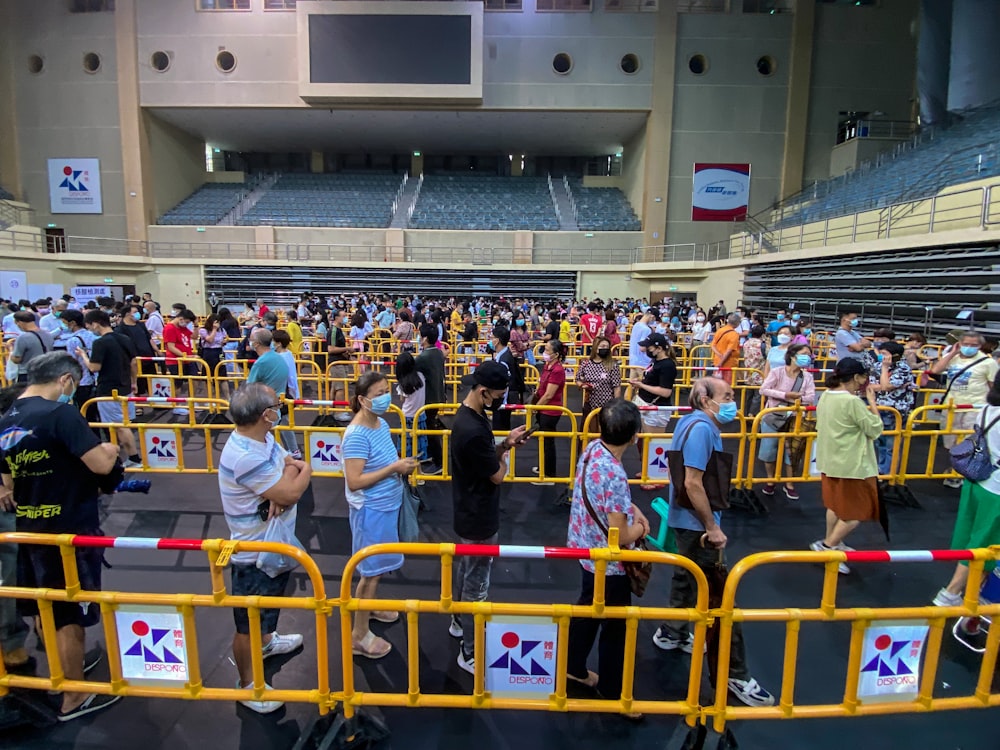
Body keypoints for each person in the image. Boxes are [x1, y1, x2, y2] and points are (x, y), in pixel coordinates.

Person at [0, 352, 122, 720]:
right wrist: (111, 449)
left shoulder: (7, 418)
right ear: (66, 381)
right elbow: (101, 465)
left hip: (29, 526)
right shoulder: (61, 413)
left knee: (43, 605)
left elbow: (6, 483)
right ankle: (73, 696)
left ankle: (61, 674)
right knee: (68, 613)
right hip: (69, 527)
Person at [654, 377, 775, 708]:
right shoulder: (704, 430)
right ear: (706, 400)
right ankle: (735, 674)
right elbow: (693, 483)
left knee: (685, 577)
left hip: (684, 521)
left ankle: (673, 632)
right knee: (722, 600)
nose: (732, 401)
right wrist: (712, 526)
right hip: (698, 526)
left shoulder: (688, 423)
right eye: (727, 395)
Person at [218, 383, 308, 714]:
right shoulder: (243, 454)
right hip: (252, 553)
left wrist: (292, 474)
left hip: (274, 541)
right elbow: (291, 492)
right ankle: (248, 686)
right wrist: (299, 474)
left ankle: (268, 643)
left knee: (268, 606)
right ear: (265, 415)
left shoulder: (264, 438)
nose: (281, 407)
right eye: (276, 405)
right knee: (247, 624)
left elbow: (290, 464)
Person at [565, 399, 650, 711]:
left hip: (585, 548)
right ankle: (614, 693)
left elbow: (608, 506)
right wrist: (641, 528)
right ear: (634, 437)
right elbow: (620, 535)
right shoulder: (614, 473)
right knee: (616, 626)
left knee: (589, 608)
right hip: (609, 562)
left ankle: (573, 666)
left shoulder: (592, 450)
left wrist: (631, 511)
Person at [449, 361, 528, 674]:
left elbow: (485, 459)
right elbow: (497, 476)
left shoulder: (471, 416)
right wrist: (506, 454)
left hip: (468, 509)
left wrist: (505, 443)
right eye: (496, 396)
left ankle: (458, 621)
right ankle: (469, 650)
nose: (498, 402)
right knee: (477, 586)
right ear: (482, 392)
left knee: (465, 570)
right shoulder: (472, 430)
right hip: (478, 516)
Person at [342, 372, 418, 660]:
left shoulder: (382, 423)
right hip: (370, 510)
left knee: (379, 568)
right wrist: (395, 468)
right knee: (369, 573)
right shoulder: (357, 435)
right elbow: (355, 480)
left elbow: (384, 461)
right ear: (362, 400)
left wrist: (399, 467)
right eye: (378, 393)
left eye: (387, 390)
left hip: (388, 505)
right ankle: (358, 635)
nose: (386, 396)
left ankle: (370, 607)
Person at [932, 371, 1000, 610]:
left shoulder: (985, 409)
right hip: (996, 491)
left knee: (970, 534)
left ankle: (971, 589)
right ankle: (952, 592)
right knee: (985, 543)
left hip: (977, 480)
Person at [810, 358, 884, 572]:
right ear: (855, 377)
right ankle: (828, 547)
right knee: (856, 513)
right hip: (852, 465)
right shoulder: (852, 402)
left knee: (834, 506)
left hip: (830, 461)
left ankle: (830, 540)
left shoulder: (826, 396)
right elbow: (875, 429)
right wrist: (873, 404)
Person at [928, 331, 998, 488]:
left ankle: (963, 473)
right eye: (966, 344)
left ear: (980, 346)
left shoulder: (988, 363)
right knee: (950, 441)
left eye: (974, 345)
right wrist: (951, 353)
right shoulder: (953, 358)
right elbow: (935, 370)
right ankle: (955, 467)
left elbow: (993, 386)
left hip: (974, 407)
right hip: (951, 405)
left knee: (969, 441)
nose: (969, 347)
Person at [77, 310, 142, 469]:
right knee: (123, 424)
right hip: (125, 386)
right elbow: (133, 363)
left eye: (89, 325)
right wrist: (134, 381)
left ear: (96, 323)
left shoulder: (100, 343)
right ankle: (127, 455)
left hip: (108, 389)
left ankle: (134, 458)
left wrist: (83, 356)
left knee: (119, 426)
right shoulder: (125, 338)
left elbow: (94, 367)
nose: (90, 329)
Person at [758, 343, 817, 501]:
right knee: (769, 450)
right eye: (804, 353)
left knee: (792, 451)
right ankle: (770, 480)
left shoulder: (807, 377)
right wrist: (786, 395)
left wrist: (797, 398)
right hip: (773, 416)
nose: (807, 357)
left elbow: (811, 396)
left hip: (796, 418)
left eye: (808, 354)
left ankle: (789, 484)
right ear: (792, 356)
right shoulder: (777, 372)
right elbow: (763, 389)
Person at [628, 332, 677, 489]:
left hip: (657, 408)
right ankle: (646, 470)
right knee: (643, 441)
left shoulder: (667, 366)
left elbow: (665, 392)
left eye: (648, 347)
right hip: (645, 403)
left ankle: (657, 477)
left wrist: (641, 385)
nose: (645, 350)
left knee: (655, 443)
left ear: (658, 348)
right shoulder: (655, 361)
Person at [246, 328, 299, 458]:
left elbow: (249, 388)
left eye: (251, 339)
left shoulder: (261, 363)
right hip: (277, 408)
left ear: (257, 343)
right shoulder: (280, 358)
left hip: (264, 411)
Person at [869, 341, 915, 478]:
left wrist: (884, 370)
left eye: (884, 354)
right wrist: (885, 384)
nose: (881, 357)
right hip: (879, 407)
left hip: (896, 411)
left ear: (895, 356)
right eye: (880, 353)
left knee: (892, 445)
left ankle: (890, 474)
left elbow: (885, 387)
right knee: (879, 442)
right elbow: (872, 386)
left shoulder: (903, 368)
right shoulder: (875, 366)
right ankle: (881, 470)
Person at [531, 339, 567, 486]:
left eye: (547, 350)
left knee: (548, 442)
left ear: (556, 354)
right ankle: (543, 467)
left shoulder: (558, 370)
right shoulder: (547, 366)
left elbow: (549, 395)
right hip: (543, 408)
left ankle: (549, 475)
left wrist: (536, 407)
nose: (544, 352)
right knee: (543, 441)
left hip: (550, 411)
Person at [416, 323, 446, 475]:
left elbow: (411, 368)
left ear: (425, 338)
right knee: (430, 425)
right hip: (438, 395)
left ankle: (439, 461)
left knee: (430, 428)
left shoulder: (424, 357)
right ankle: (431, 456)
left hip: (429, 398)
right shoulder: (438, 352)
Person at [576, 335, 622, 417]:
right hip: (590, 403)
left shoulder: (612, 365)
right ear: (595, 348)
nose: (605, 349)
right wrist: (583, 385)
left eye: (607, 347)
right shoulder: (586, 364)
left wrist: (616, 406)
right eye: (602, 346)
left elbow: (617, 388)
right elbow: (578, 379)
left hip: (607, 406)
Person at [395, 351, 428, 462]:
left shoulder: (403, 383)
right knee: (419, 444)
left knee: (406, 444)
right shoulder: (421, 376)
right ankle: (419, 473)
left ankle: (407, 472)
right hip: (421, 414)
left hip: (407, 416)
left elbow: (402, 399)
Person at [490, 326, 523, 432]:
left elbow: (506, 383)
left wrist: (501, 403)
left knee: (500, 430)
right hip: (502, 401)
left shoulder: (504, 359)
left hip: (502, 401)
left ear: (497, 341)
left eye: (492, 337)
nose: (490, 340)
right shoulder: (504, 355)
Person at [8, 311, 54, 383]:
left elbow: (17, 359)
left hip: (27, 374)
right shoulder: (48, 334)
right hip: (46, 372)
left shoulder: (23, 338)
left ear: (19, 322)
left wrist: (11, 351)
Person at [326, 308, 354, 424]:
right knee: (340, 388)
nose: (345, 318)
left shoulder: (339, 330)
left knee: (335, 386)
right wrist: (347, 349)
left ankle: (332, 409)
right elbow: (331, 349)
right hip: (336, 363)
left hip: (341, 361)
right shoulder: (333, 331)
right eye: (343, 316)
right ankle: (339, 412)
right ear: (337, 317)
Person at [711, 313, 742, 384]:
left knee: (716, 386)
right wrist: (721, 362)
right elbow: (729, 351)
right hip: (728, 364)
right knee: (727, 387)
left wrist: (719, 355)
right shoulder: (734, 334)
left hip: (717, 361)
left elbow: (713, 345)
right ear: (737, 323)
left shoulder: (720, 330)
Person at [198, 313, 226, 381]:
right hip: (209, 352)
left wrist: (224, 341)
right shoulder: (203, 330)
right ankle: (209, 390)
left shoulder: (222, 330)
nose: (218, 324)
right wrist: (214, 329)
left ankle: (226, 391)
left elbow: (225, 338)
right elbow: (210, 340)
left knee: (222, 373)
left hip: (220, 352)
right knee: (208, 373)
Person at [628, 309, 654, 380]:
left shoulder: (636, 325)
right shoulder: (646, 329)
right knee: (643, 386)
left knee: (631, 386)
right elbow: (642, 347)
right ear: (651, 316)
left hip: (633, 360)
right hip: (643, 362)